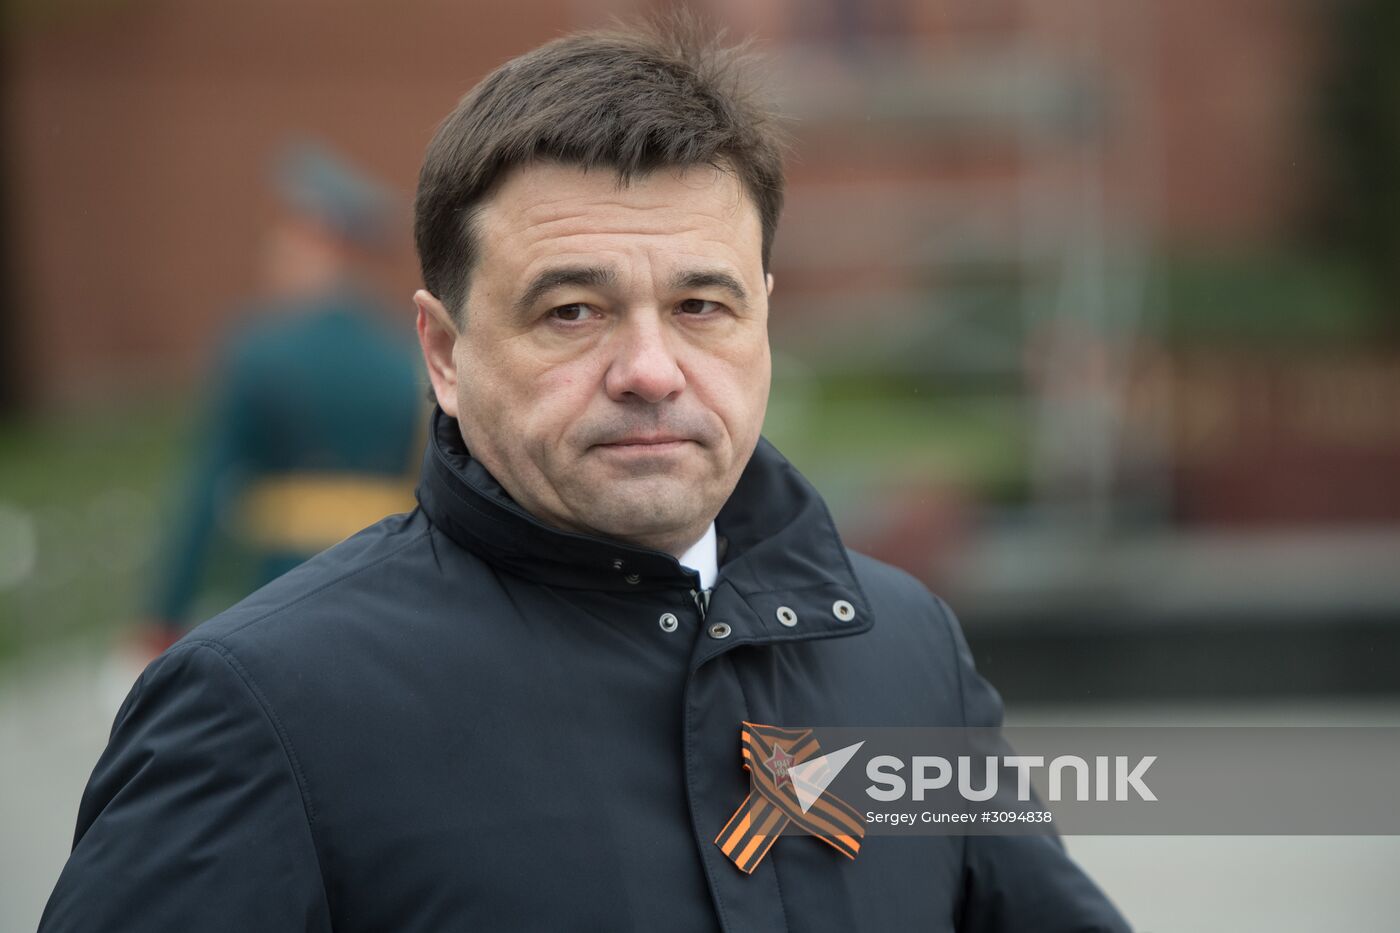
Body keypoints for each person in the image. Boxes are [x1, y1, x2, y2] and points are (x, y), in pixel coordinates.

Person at [42, 18, 1131, 932]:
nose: (652, 371)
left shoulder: (904, 652)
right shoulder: (258, 708)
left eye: (701, 306)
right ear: (444, 355)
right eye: (572, 311)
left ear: (765, 320)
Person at [141, 142, 425, 646]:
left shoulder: (259, 351)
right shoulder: (404, 351)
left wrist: (166, 613)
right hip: (389, 583)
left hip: (282, 584)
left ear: (318, 243)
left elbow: (209, 488)